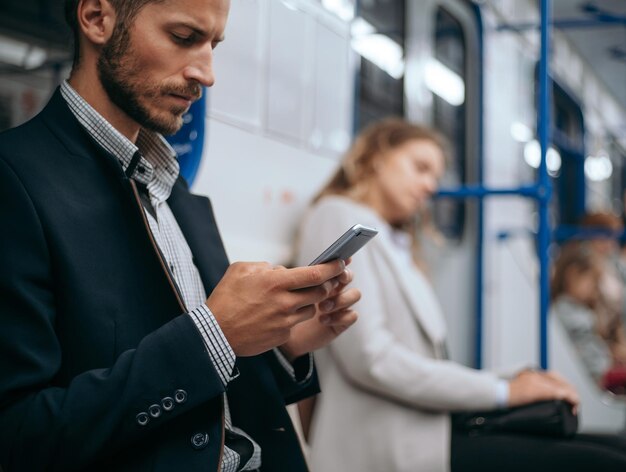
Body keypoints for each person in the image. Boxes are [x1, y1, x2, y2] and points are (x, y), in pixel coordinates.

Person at [0, 0, 360, 470]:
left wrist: (281, 345)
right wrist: (218, 333)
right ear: (96, 18)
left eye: (213, 44)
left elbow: (207, 379)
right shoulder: (15, 179)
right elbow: (20, 435)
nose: (206, 74)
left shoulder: (177, 192)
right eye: (184, 38)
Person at [293, 118, 626, 472]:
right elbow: (372, 360)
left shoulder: (397, 242)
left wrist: (514, 378)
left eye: (435, 177)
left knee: (616, 450)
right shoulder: (338, 215)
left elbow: (425, 363)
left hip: (429, 425)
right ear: (377, 157)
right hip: (390, 440)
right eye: (420, 168)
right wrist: (504, 392)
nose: (429, 186)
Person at [551, 245, 626, 393]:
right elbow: (594, 365)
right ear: (572, 275)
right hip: (596, 379)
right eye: (592, 281)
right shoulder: (568, 311)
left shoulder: (578, 310)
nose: (595, 289)